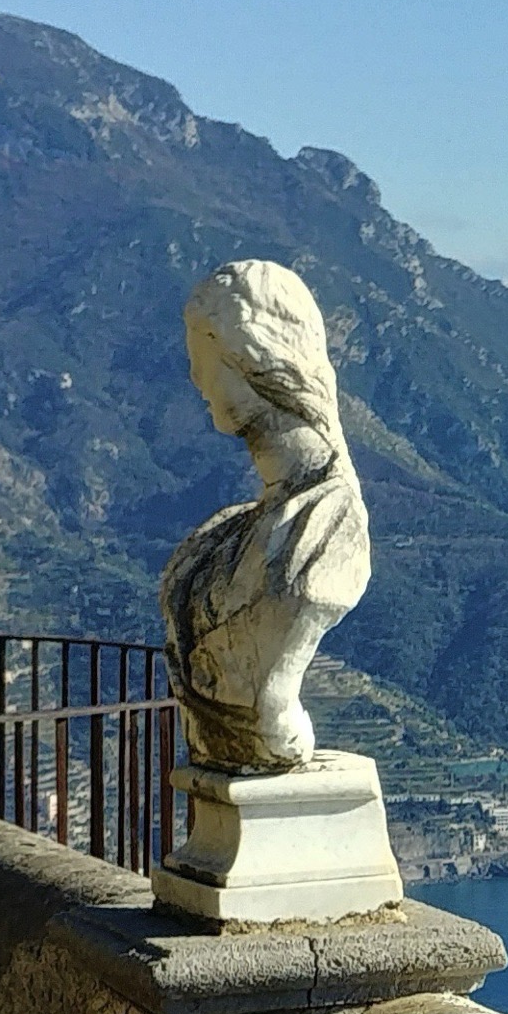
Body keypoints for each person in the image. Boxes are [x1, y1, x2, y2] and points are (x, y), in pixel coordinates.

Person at [162, 259, 372, 773]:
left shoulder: (327, 524)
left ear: (252, 356)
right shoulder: (223, 533)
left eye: (203, 354)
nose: (194, 377)